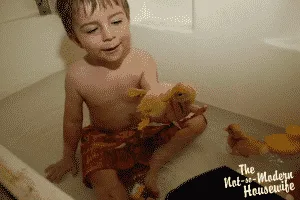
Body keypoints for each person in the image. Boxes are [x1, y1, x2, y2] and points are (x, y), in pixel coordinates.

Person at [44, 0, 208, 199]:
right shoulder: (76, 76)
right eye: (92, 29)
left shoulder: (143, 60)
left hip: (143, 128)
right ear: (76, 39)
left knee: (197, 122)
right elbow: (72, 121)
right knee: (105, 185)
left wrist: (172, 105)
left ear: (128, 20)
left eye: (116, 22)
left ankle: (156, 162)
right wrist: (68, 157)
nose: (108, 35)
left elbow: (154, 98)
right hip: (104, 139)